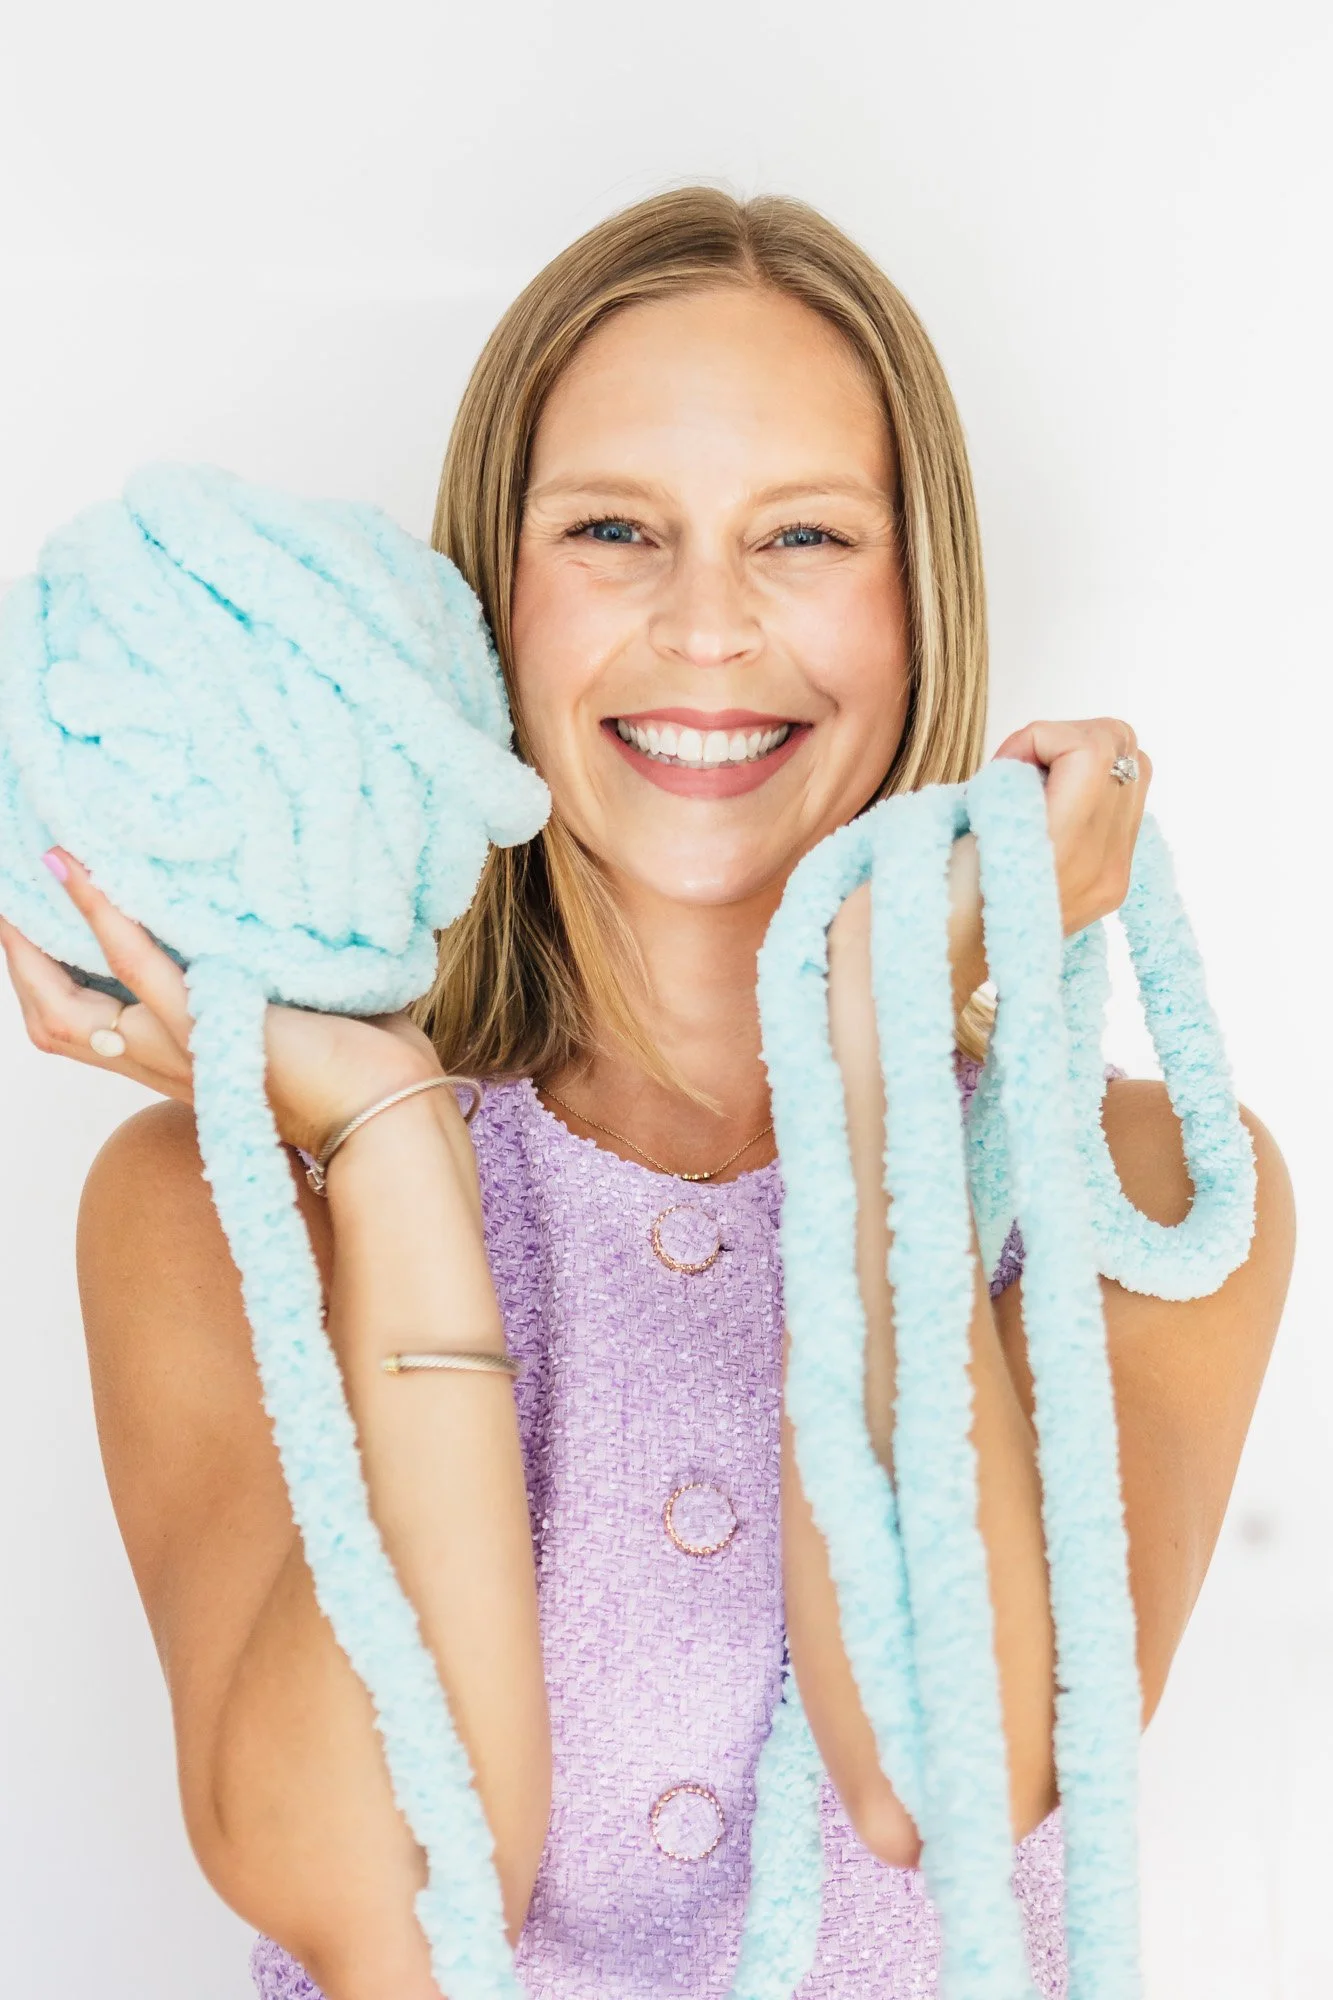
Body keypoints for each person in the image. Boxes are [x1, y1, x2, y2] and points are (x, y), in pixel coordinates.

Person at [0, 188, 1296, 2000]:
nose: (707, 626)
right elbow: (393, 1911)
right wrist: (390, 1152)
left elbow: (943, 1777)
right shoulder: (218, 1205)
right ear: (490, 598)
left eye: (805, 535)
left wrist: (869, 1054)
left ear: (919, 602)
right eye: (614, 528)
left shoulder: (1142, 1194)